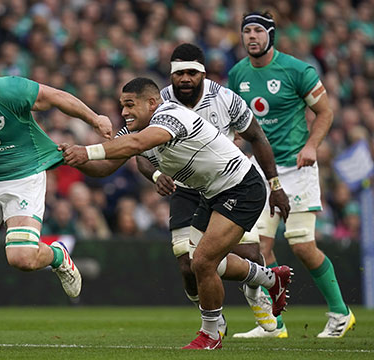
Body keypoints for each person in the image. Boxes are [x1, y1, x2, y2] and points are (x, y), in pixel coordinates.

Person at [62, 77, 292, 350]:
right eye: (122, 106)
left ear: (152, 103)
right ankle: (270, 278)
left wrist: (85, 151)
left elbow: (135, 145)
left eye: (129, 105)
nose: (123, 112)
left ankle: (211, 334)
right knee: (199, 262)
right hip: (211, 192)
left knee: (203, 261)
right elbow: (104, 168)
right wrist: (69, 158)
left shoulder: (171, 115)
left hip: (241, 187)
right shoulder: (137, 129)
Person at [0, 54, 112, 352]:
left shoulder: (7, 90)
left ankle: (57, 256)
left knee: (22, 259)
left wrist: (94, 119)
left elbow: (56, 97)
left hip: (24, 175)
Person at [141, 43, 290, 335]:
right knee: (189, 267)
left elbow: (257, 137)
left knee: (246, 255)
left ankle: (261, 299)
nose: (185, 79)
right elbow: (138, 151)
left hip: (228, 184)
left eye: (192, 73)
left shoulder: (225, 99)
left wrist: (275, 185)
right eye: (179, 73)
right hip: (185, 189)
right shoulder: (159, 102)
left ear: (203, 73)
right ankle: (213, 318)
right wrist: (157, 172)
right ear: (170, 74)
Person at [228, 11, 355, 339]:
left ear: (271, 35)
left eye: (258, 30)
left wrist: (312, 145)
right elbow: (236, 122)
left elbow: (325, 111)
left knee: (301, 245)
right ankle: (274, 324)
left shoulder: (297, 70)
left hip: (297, 169)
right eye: (246, 31)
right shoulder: (237, 73)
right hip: (260, 171)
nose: (251, 36)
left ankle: (341, 313)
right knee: (256, 249)